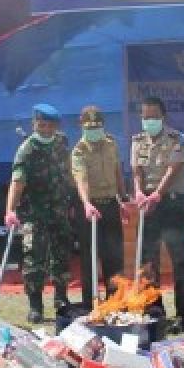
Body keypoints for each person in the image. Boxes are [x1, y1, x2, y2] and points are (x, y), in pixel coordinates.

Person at [4, 104, 74, 323]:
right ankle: (36, 306)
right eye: (39, 124)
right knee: (34, 259)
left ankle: (61, 301)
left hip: (60, 211)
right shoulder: (27, 150)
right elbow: (17, 182)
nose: (43, 128)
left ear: (55, 126)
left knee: (61, 257)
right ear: (34, 124)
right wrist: (10, 210)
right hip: (34, 214)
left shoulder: (62, 142)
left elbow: (69, 171)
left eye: (47, 124)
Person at [131, 95, 184, 332]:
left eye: (154, 116)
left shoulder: (177, 138)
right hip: (147, 204)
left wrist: (158, 193)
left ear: (163, 116)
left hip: (171, 203)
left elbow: (173, 168)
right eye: (146, 117)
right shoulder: (137, 141)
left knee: (181, 260)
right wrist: (138, 192)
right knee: (147, 261)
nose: (150, 121)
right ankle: (154, 311)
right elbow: (136, 170)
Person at [71, 105, 129, 305]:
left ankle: (115, 300)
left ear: (103, 126)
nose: (93, 130)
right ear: (82, 126)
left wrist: (123, 198)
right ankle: (90, 302)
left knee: (114, 255)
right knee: (90, 258)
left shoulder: (111, 144)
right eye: (89, 127)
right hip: (90, 209)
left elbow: (117, 172)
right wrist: (86, 203)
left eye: (96, 126)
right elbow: (81, 179)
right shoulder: (79, 151)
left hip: (111, 204)